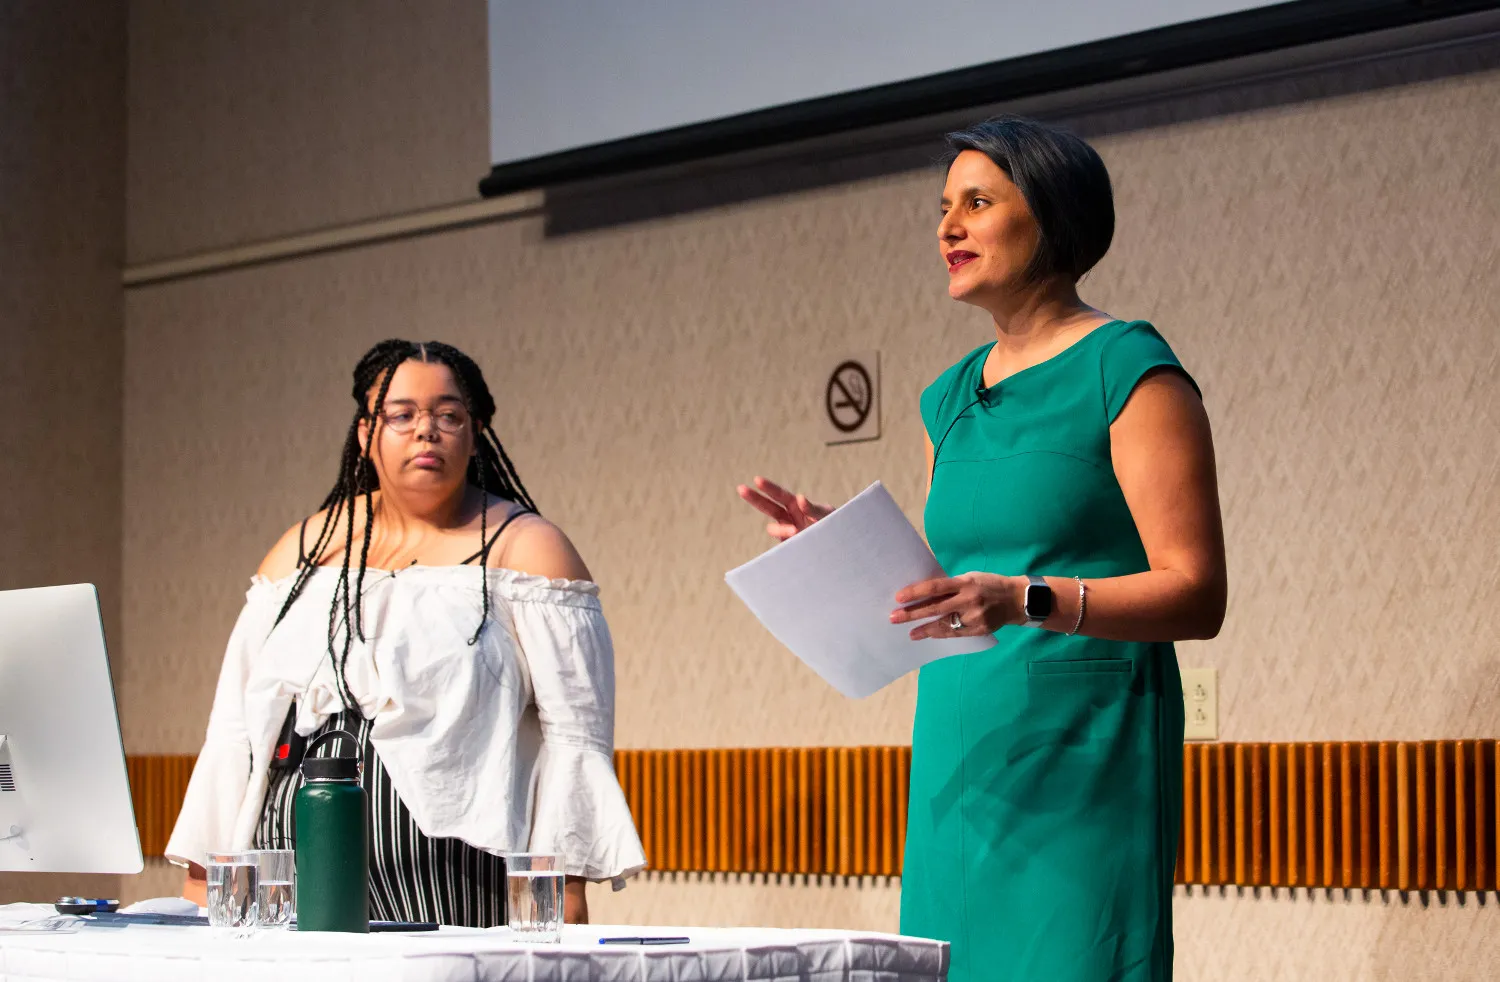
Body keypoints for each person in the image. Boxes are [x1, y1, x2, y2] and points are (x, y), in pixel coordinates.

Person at [738, 116, 1226, 981]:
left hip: (1084, 748)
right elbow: (951, 583)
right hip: (965, 739)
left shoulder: (1130, 368)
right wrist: (847, 548)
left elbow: (1196, 592)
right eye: (942, 207)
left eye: (978, 202)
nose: (947, 227)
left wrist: (1028, 597)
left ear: (1052, 217)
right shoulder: (947, 400)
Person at [166, 339, 645, 927]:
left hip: (459, 881)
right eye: (402, 415)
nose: (427, 431)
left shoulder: (531, 551)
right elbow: (236, 729)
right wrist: (200, 885)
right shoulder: (306, 550)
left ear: (475, 433)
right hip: (288, 874)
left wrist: (562, 908)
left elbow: (574, 741)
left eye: (449, 415)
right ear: (366, 433)